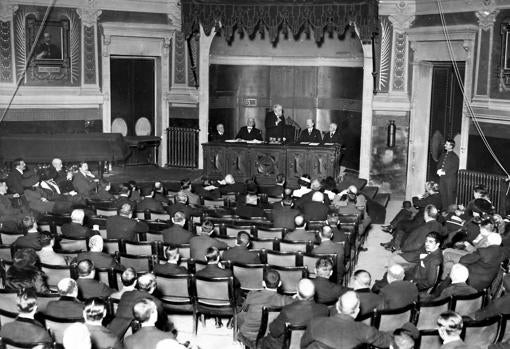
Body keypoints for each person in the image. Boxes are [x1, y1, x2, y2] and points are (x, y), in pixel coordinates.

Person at [301, 291, 393, 349]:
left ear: (337, 306)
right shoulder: (366, 330)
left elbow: (303, 345)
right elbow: (387, 341)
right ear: (357, 311)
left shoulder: (315, 323)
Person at [259, 278, 328, 349]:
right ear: (314, 293)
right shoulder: (324, 309)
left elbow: (274, 332)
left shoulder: (288, 311)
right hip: (310, 345)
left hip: (286, 345)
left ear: (297, 292)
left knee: (264, 341)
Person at [237, 268, 293, 347]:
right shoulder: (284, 300)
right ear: (280, 283)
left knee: (240, 315)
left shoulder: (252, 295)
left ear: (263, 283)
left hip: (249, 336)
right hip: (268, 338)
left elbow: (244, 309)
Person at [108, 273, 172, 337]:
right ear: (153, 288)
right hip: (142, 335)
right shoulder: (156, 302)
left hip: (116, 332)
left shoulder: (125, 294)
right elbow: (163, 322)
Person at [437, 139, 459, 210]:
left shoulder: (455, 156)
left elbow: (454, 169)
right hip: (442, 179)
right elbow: (439, 164)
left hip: (450, 180)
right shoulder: (443, 155)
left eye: (446, 144)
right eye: (445, 144)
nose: (445, 145)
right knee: (443, 195)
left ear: (451, 146)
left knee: (449, 197)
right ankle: (444, 211)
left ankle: (450, 213)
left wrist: (445, 172)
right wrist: (438, 170)